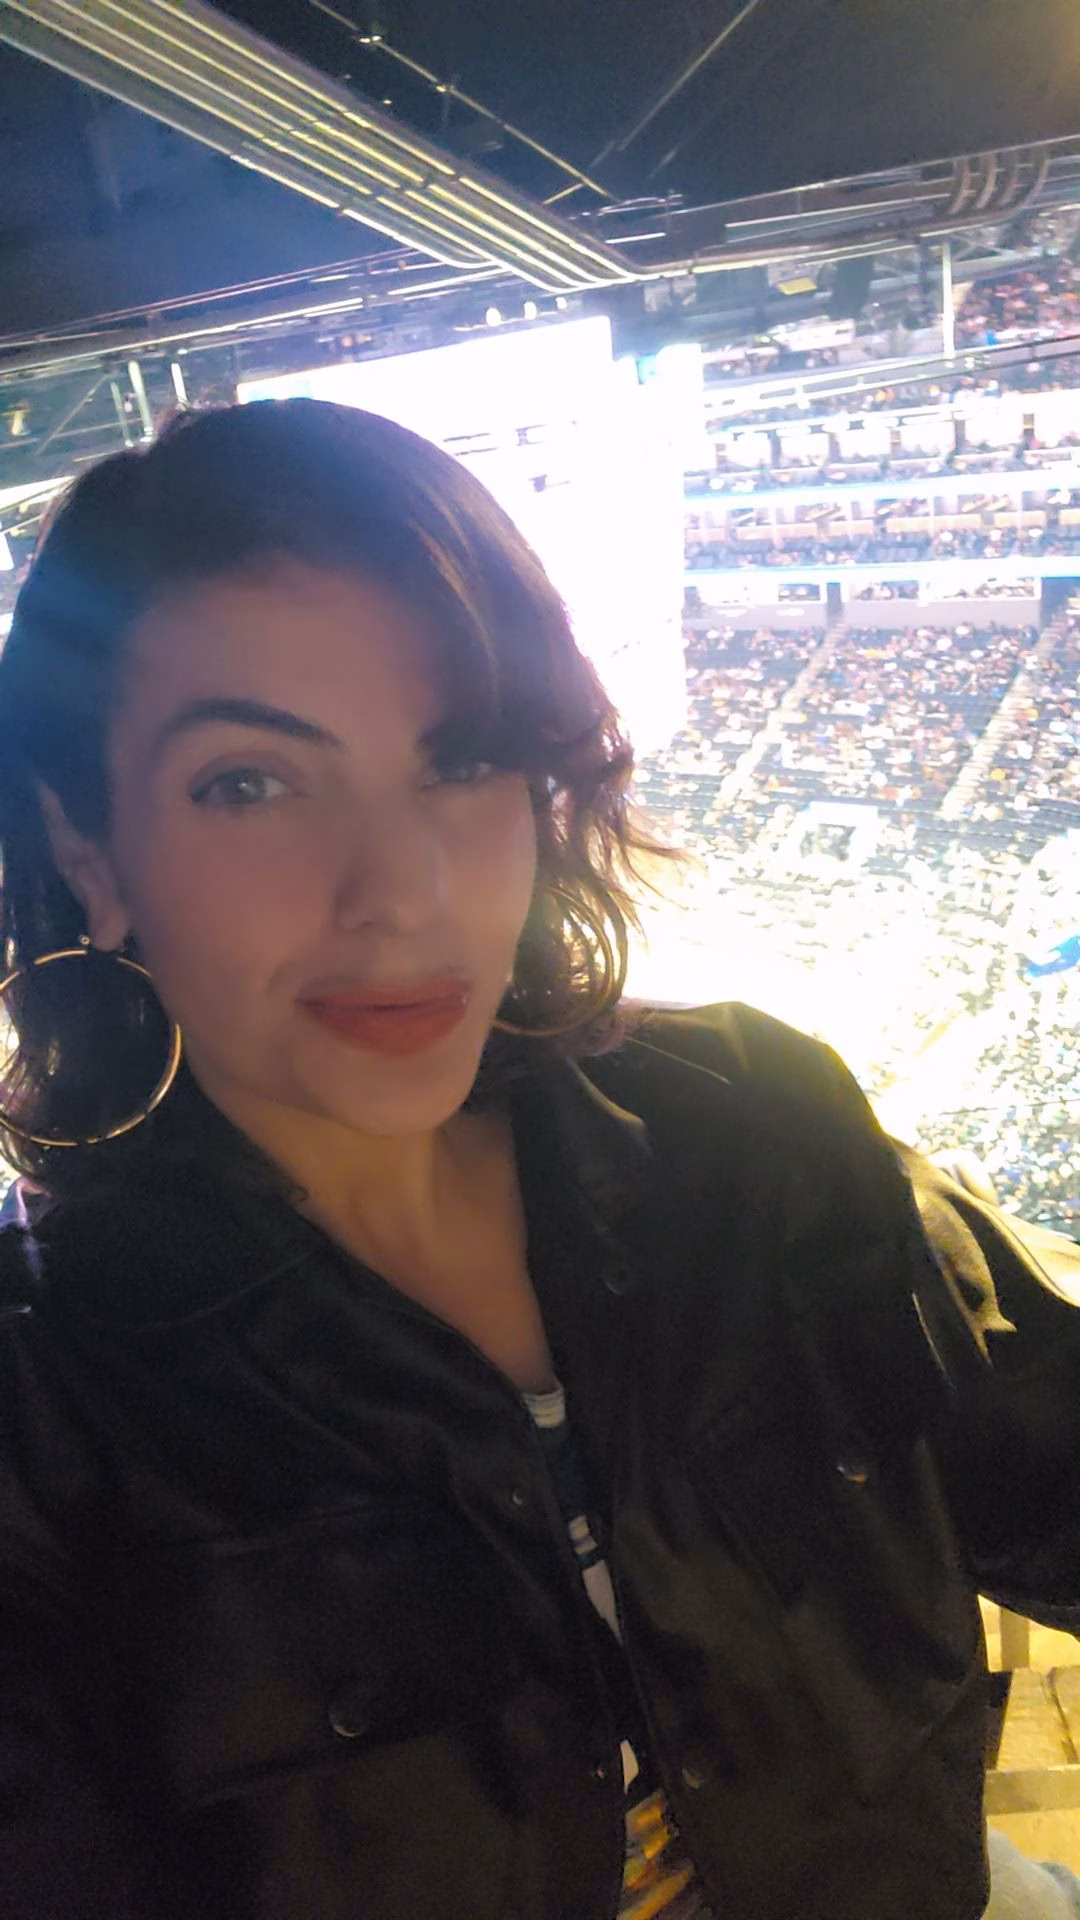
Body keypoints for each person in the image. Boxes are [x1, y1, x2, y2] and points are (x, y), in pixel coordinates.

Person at [0, 398, 1076, 1920]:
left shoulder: (758, 1122)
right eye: (251, 781)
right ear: (88, 848)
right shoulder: (40, 1415)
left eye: (462, 761)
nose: (406, 894)